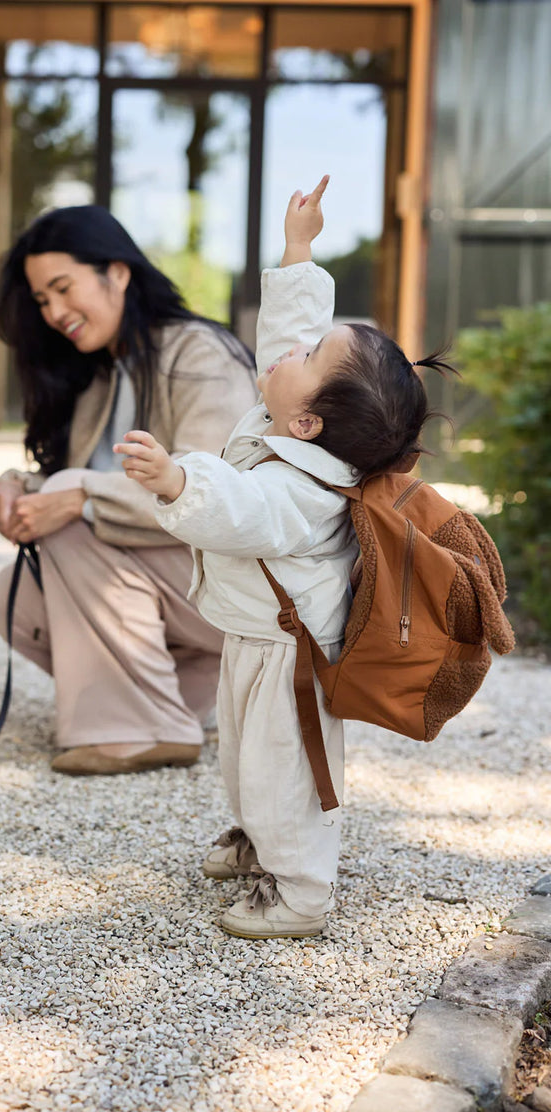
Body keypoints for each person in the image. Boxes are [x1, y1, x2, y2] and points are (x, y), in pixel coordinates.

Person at [114, 175, 448, 939]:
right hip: (255, 633)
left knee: (282, 770)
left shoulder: (304, 490)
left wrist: (176, 479)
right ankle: (257, 841)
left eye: (306, 355)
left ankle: (301, 890)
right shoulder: (293, 416)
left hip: (289, 651)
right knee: (240, 756)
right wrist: (300, 248)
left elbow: (243, 510)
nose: (288, 349)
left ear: (306, 421)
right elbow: (289, 339)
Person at [0, 204, 262, 775]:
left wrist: (77, 498)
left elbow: (221, 491)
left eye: (63, 289)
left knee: (70, 512)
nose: (56, 312)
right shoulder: (103, 374)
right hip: (173, 586)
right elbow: (88, 476)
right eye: (42, 301)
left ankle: (144, 729)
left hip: (234, 587)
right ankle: (186, 703)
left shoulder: (198, 354)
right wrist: (17, 488)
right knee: (11, 598)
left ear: (118, 272)